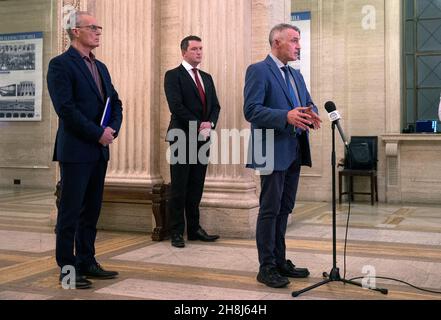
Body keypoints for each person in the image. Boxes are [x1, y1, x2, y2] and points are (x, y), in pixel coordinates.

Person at [47, 11, 123, 289]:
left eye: (99, 27)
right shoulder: (60, 65)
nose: (98, 32)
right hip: (76, 151)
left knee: (91, 210)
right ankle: (68, 270)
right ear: (75, 31)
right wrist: (98, 133)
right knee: (70, 213)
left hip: (99, 151)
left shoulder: (100, 67)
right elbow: (65, 109)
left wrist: (112, 129)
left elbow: (115, 102)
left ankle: (88, 261)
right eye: (93, 27)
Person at [244, 24, 322, 288]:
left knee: (285, 209)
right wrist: (284, 116)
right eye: (294, 40)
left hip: (295, 151)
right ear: (277, 42)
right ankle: (265, 267)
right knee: (269, 210)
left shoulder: (296, 75)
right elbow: (251, 110)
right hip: (270, 150)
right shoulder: (258, 71)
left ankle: (279, 260)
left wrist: (310, 112)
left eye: (299, 41)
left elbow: (307, 102)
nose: (299, 45)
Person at [164, 35, 221, 248]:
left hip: (202, 139)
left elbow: (216, 106)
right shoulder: (173, 75)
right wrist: (199, 123)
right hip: (181, 136)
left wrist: (210, 124)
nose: (199, 52)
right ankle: (176, 231)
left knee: (196, 186)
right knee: (179, 186)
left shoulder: (206, 77)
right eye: (195, 49)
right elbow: (176, 106)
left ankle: (194, 229)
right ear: (184, 52)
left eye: (201, 49)